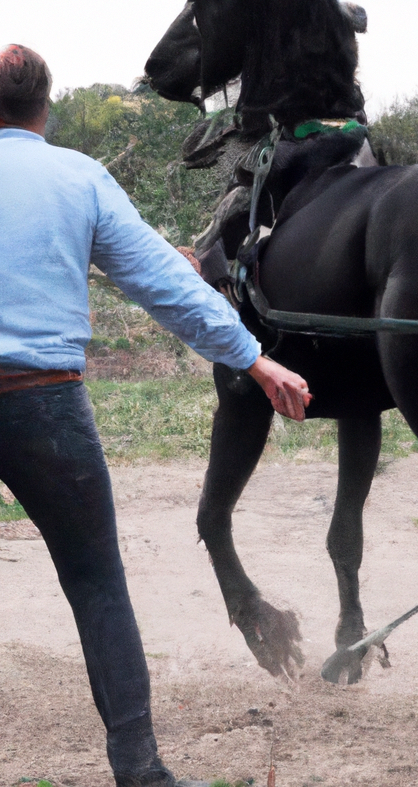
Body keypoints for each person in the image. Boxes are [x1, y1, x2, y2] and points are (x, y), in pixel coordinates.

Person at [0, 44, 311, 787]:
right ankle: (140, 773)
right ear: (46, 109)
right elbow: (165, 285)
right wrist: (254, 357)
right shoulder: (79, 177)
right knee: (97, 582)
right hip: (43, 399)